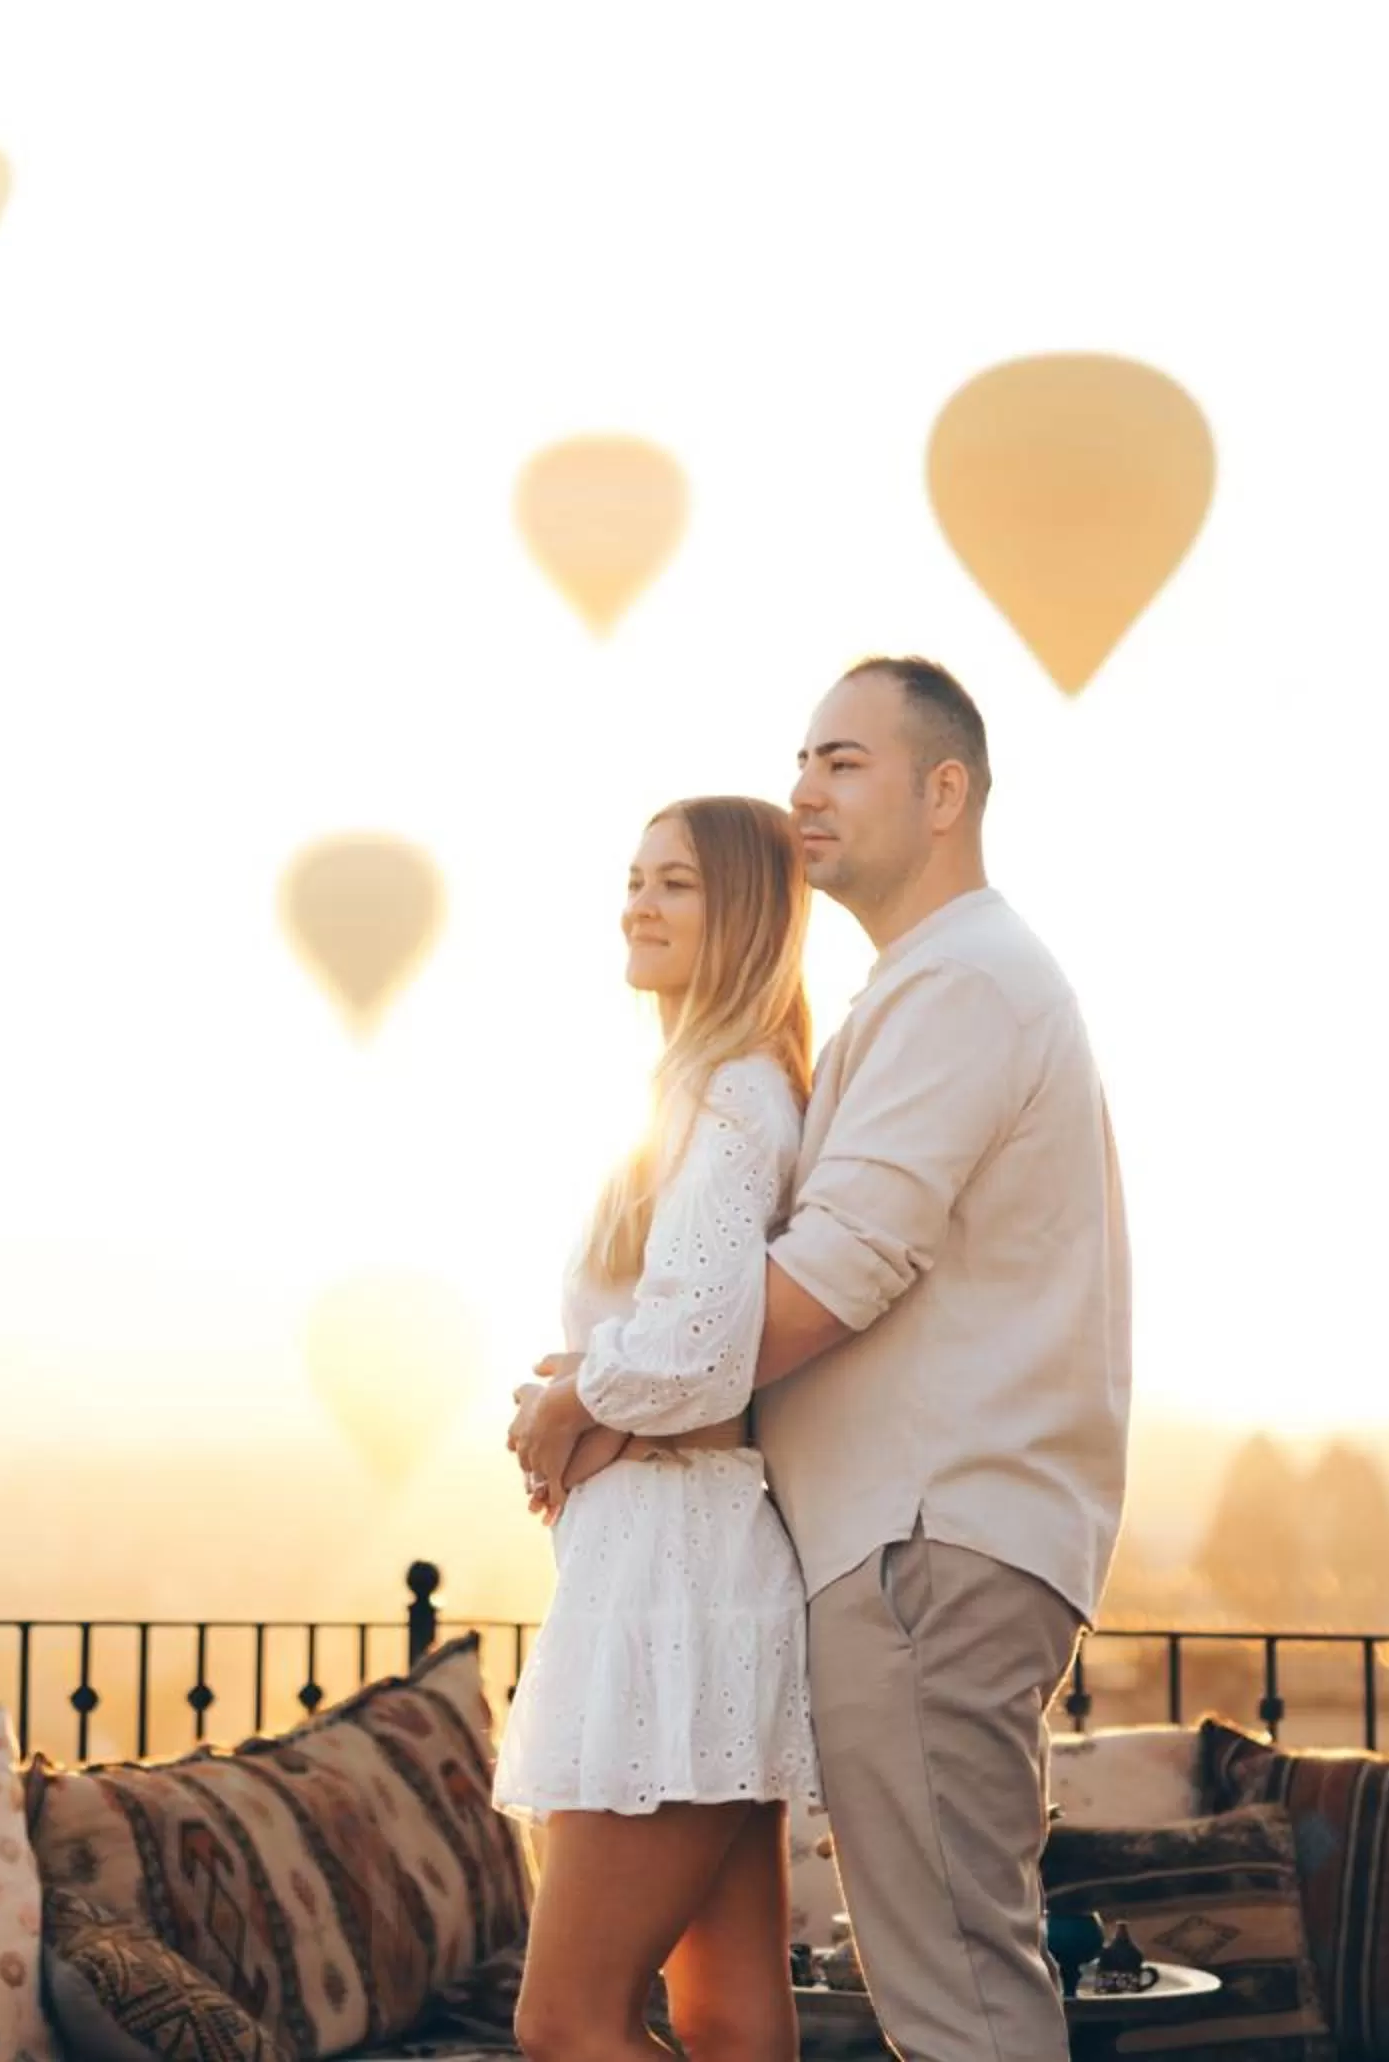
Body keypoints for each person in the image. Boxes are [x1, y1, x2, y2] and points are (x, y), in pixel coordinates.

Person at [516, 659, 1132, 2062]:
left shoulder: (963, 984)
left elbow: (838, 1268)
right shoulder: (916, 994)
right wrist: (606, 1398)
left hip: (926, 1535)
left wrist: (589, 1406)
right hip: (882, 1537)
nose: (803, 786)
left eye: (842, 760)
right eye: (800, 756)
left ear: (943, 791)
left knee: (953, 1998)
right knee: (813, 2001)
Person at [495, 795, 820, 2062]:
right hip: (679, 1562)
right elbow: (685, 1352)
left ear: (741, 911)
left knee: (566, 2023)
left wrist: (567, 1403)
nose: (637, 902)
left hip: (676, 1577)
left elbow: (697, 1349)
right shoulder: (703, 1088)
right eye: (633, 878)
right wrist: (585, 1411)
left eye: (674, 884)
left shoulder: (733, 1101)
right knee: (728, 2018)